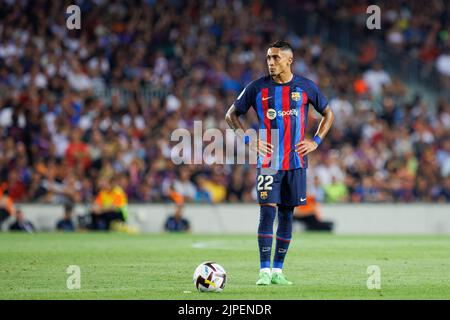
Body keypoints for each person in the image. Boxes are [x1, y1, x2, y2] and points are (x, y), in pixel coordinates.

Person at [225, 40, 334, 285]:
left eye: (275, 58)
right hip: (269, 162)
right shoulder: (257, 88)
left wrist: (316, 140)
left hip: (296, 162)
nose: (270, 62)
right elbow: (230, 115)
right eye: (268, 58)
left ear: (289, 60)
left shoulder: (305, 87)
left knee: (286, 215)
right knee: (267, 212)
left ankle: (277, 271)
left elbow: (329, 113)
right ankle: (264, 271)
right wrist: (248, 139)